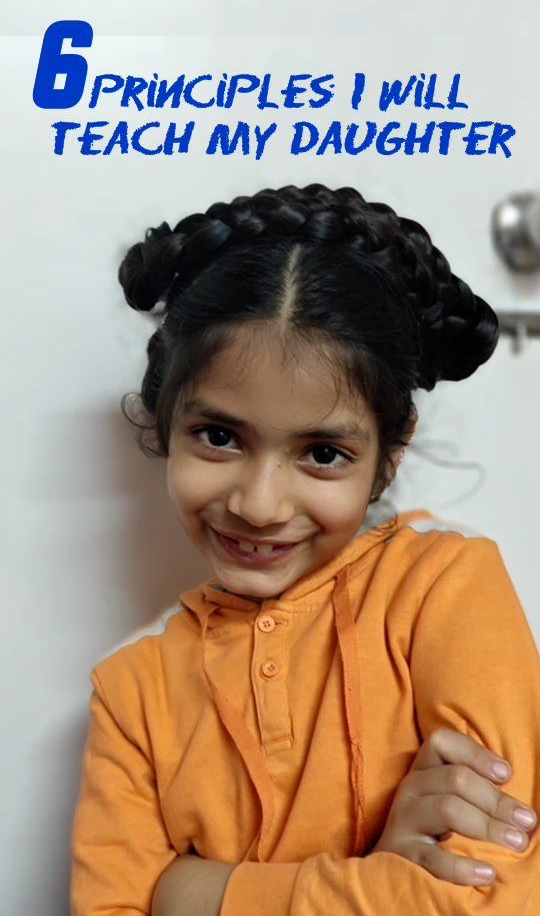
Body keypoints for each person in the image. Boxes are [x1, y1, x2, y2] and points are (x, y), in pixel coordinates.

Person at [70, 183, 539, 916]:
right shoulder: (132, 695)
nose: (259, 505)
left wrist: (187, 890)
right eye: (219, 436)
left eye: (322, 453)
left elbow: (495, 898)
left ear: (389, 454)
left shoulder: (445, 590)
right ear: (165, 422)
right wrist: (380, 874)